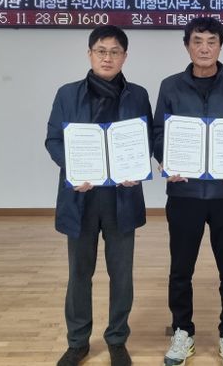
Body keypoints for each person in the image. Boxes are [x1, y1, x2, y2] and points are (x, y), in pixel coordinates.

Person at [153, 17, 223, 366]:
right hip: (184, 193)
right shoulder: (170, 86)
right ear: (187, 45)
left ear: (220, 46)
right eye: (197, 41)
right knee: (180, 268)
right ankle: (182, 330)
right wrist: (167, 160)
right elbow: (159, 132)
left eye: (211, 41)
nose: (204, 48)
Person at [45, 25, 153, 366]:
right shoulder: (67, 94)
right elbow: (53, 140)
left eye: (115, 52)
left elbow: (146, 140)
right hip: (81, 198)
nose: (108, 57)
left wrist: (137, 168)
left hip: (122, 198)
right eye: (101, 51)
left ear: (125, 56)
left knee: (121, 275)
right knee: (79, 273)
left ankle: (117, 339)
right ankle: (77, 342)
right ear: (90, 54)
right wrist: (73, 169)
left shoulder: (138, 95)